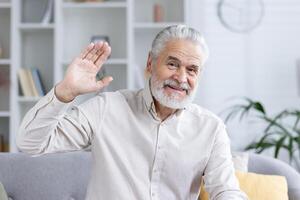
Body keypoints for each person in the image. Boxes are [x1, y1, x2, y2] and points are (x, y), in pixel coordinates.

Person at [16, 25, 248, 200]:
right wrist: (65, 92)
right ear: (150, 63)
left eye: (192, 69)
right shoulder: (106, 108)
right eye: (172, 64)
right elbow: (30, 143)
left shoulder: (211, 128)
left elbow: (226, 190)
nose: (181, 78)